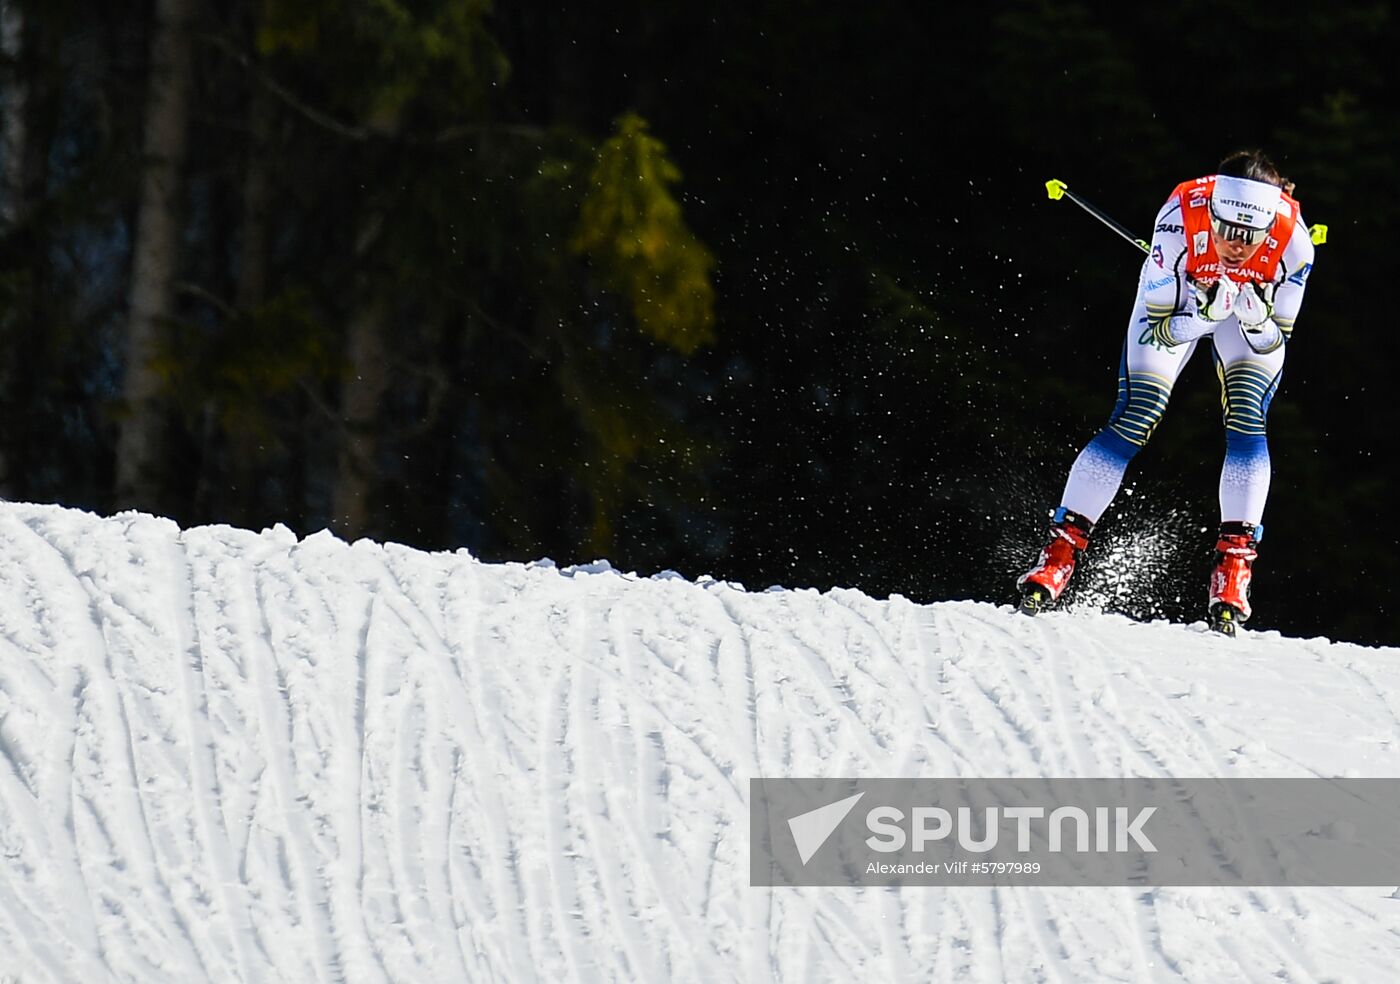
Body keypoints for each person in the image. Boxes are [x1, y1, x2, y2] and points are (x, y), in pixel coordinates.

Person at [1018, 150, 1316, 635]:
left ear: (1270, 229)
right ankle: (1059, 553)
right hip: (1179, 305)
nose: (1237, 247)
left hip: (1247, 315)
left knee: (1247, 416)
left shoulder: (1296, 246)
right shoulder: (1179, 220)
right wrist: (1203, 314)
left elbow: (1276, 338)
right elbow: (1159, 330)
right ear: (1212, 215)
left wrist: (1255, 316)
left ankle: (1234, 567)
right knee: (1138, 411)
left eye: (1250, 237)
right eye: (1227, 231)